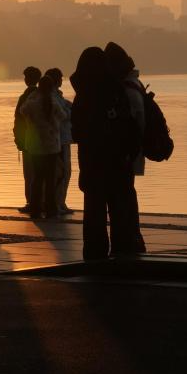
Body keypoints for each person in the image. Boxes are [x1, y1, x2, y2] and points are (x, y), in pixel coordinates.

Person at [70, 47, 143, 259]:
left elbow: (76, 133)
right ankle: (122, 253)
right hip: (118, 163)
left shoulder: (82, 96)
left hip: (92, 165)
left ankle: (94, 256)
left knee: (94, 213)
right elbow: (128, 127)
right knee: (120, 213)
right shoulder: (116, 91)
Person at [103, 42, 147, 252]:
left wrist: (127, 152)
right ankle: (132, 239)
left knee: (122, 197)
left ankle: (127, 241)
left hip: (124, 154)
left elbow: (131, 125)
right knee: (127, 195)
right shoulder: (134, 85)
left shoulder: (125, 90)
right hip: (130, 153)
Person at [20, 75, 68, 219]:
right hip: (52, 145)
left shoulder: (33, 103)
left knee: (37, 178)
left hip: (36, 146)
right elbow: (63, 116)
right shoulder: (53, 102)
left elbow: (22, 111)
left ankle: (35, 209)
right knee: (50, 178)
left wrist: (33, 96)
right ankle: (51, 209)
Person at [46, 67, 74, 215]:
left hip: (63, 139)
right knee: (62, 173)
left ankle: (60, 202)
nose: (62, 80)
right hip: (59, 140)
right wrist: (71, 111)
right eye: (60, 78)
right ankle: (58, 203)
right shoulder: (51, 97)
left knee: (64, 172)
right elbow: (62, 114)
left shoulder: (57, 96)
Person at [14, 66, 42, 214]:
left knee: (30, 173)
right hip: (43, 142)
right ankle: (41, 201)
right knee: (40, 173)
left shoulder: (25, 97)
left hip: (28, 141)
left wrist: (18, 140)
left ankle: (31, 201)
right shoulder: (43, 95)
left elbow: (18, 120)